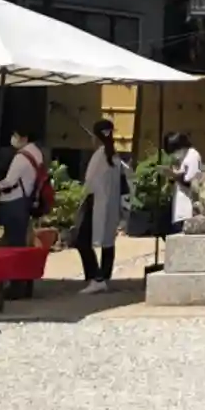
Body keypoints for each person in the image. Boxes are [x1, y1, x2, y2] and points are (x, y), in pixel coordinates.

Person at [76, 119, 131, 294]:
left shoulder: (99, 155)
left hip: (95, 203)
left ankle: (96, 277)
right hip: (110, 204)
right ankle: (104, 276)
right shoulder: (114, 156)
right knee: (108, 241)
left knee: (82, 240)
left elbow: (89, 182)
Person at [0, 126, 44, 248]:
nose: (13, 139)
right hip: (26, 199)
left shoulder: (21, 157)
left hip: (14, 203)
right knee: (19, 241)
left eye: (16, 136)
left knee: (13, 243)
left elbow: (9, 182)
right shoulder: (37, 153)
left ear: (24, 138)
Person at [165, 131, 202, 235]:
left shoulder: (192, 156)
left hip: (187, 208)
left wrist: (176, 176)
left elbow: (192, 182)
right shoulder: (184, 157)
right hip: (180, 206)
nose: (175, 155)